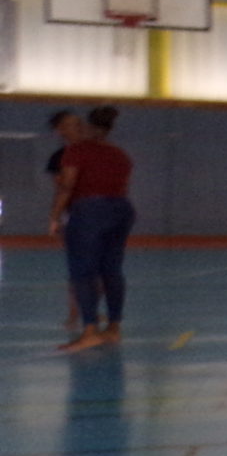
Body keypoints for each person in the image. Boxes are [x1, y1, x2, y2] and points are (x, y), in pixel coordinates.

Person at [50, 106, 136, 353]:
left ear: (88, 127)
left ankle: (90, 331)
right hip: (121, 210)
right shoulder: (120, 154)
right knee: (112, 270)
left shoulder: (77, 151)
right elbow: (122, 186)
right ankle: (113, 328)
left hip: (89, 211)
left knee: (83, 272)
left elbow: (67, 186)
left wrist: (55, 216)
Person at [45, 110, 90, 333]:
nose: (78, 127)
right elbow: (63, 188)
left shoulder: (97, 152)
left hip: (101, 214)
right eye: (71, 124)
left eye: (79, 123)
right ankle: (75, 313)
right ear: (59, 130)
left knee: (102, 268)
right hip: (75, 215)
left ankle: (92, 311)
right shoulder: (59, 157)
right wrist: (57, 217)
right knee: (78, 267)